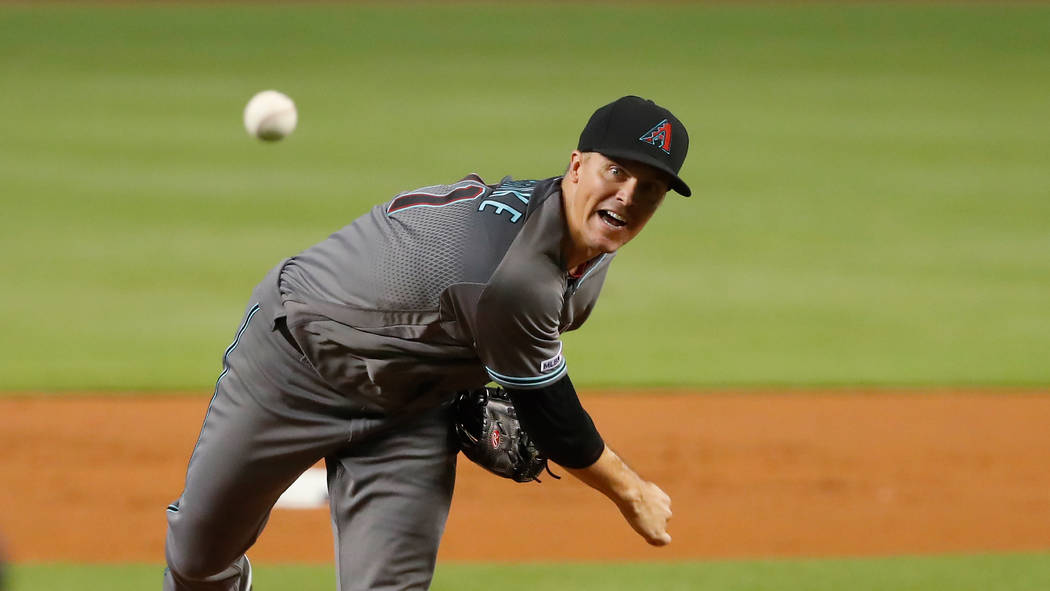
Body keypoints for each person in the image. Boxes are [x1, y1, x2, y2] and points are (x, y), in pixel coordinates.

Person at [164, 95, 691, 591]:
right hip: (292, 366)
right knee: (198, 561)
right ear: (577, 167)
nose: (628, 196)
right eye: (616, 172)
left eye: (650, 188)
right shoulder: (515, 277)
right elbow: (555, 418)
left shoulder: (592, 234)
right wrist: (633, 492)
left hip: (413, 406)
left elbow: (499, 335)